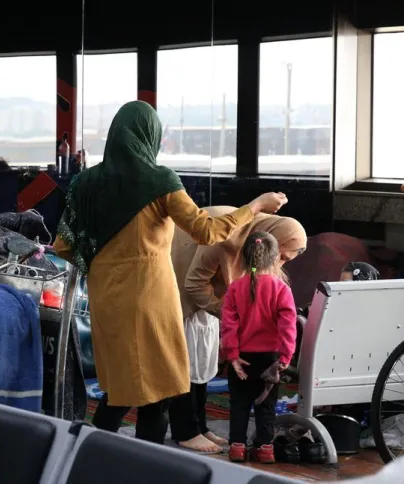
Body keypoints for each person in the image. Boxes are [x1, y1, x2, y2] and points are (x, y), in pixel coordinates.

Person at [51, 100, 288, 445]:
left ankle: (89, 451)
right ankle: (146, 455)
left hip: (105, 295)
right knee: (158, 379)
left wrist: (103, 266)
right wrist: (255, 207)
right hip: (150, 295)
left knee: (122, 380)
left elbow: (63, 245)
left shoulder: (84, 184)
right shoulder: (160, 180)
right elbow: (207, 231)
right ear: (150, 136)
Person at [168, 209, 307, 453]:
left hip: (214, 309)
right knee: (186, 366)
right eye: (281, 257)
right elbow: (193, 283)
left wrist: (232, 346)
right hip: (185, 293)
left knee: (203, 368)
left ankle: (204, 428)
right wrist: (284, 355)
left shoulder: (250, 256)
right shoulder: (227, 236)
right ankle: (186, 431)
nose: (280, 263)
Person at [221, 231, 298, 464]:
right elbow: (288, 324)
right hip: (270, 359)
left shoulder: (235, 288)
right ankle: (265, 449)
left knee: (239, 404)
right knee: (267, 405)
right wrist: (285, 356)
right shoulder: (281, 288)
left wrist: (232, 356)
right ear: (276, 258)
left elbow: (229, 324)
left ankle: (237, 447)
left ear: (244, 259)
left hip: (242, 358)